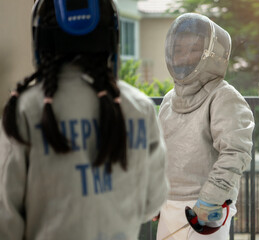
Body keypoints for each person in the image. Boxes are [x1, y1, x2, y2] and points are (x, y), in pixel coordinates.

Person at [0, 0, 169, 239]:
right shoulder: (140, 107)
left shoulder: (25, 110)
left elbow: (6, 221)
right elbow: (152, 202)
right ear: (112, 38)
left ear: (40, 40)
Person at [156, 13, 255, 240]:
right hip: (168, 206)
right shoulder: (169, 100)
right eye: (178, 50)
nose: (183, 57)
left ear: (211, 54)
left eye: (193, 49)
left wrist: (211, 198)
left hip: (203, 211)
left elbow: (235, 152)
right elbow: (161, 152)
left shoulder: (224, 97)